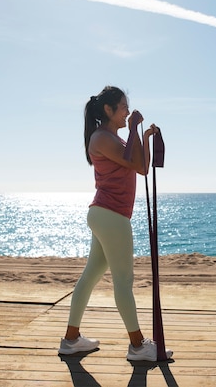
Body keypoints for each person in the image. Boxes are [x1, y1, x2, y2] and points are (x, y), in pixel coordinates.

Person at [58, 86, 172, 362]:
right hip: (111, 215)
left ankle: (71, 340)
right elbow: (128, 160)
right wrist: (134, 130)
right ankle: (137, 345)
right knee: (123, 281)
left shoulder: (116, 138)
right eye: (123, 106)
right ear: (108, 110)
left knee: (90, 276)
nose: (127, 110)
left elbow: (141, 166)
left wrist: (143, 136)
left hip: (107, 215)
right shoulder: (101, 138)